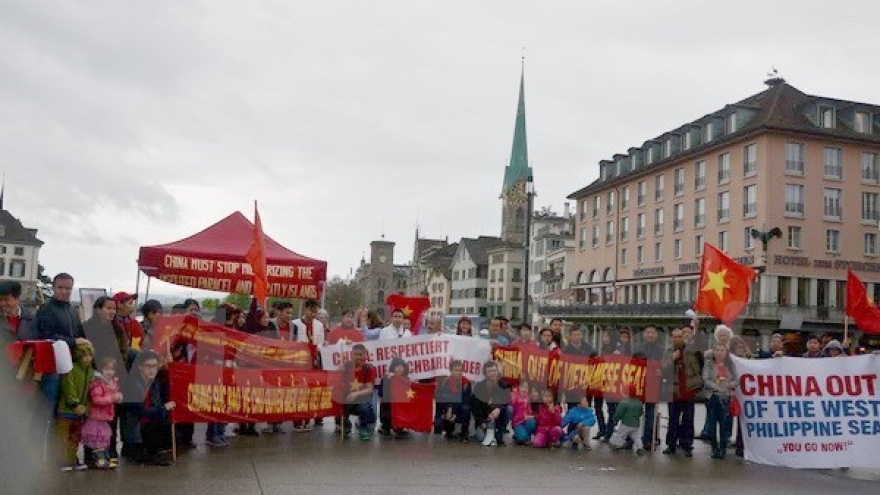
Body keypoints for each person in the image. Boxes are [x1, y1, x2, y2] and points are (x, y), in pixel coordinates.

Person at [35, 273, 89, 408]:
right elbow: (46, 335)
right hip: (52, 365)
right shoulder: (46, 309)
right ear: (53, 288)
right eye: (60, 288)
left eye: (68, 288)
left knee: (65, 405)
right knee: (48, 405)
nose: (64, 291)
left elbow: (78, 332)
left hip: (71, 363)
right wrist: (74, 342)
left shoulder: (72, 310)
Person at [123, 350, 176, 466]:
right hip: (137, 433)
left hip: (148, 427)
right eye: (148, 366)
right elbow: (141, 412)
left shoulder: (153, 382)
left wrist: (167, 365)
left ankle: (154, 450)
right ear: (140, 367)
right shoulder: (133, 386)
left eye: (154, 366)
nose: (152, 369)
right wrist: (163, 408)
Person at [662, 328, 702, 457]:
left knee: (688, 419)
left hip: (689, 389)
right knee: (673, 420)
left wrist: (698, 383)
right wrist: (671, 359)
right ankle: (671, 444)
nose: (678, 339)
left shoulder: (692, 351)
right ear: (671, 338)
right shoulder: (668, 352)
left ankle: (687, 445)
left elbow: (699, 364)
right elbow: (662, 368)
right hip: (673, 390)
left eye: (680, 336)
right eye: (675, 337)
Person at [56, 341, 94, 471]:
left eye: (90, 355)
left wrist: (86, 407)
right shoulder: (71, 369)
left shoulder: (90, 372)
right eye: (85, 355)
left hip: (80, 411)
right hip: (67, 409)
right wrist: (74, 404)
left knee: (75, 437)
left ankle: (71, 460)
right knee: (63, 436)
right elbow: (68, 387)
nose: (88, 358)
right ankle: (61, 460)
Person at [82, 357, 123, 469]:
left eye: (112, 369)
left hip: (104, 417)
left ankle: (103, 459)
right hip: (96, 418)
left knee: (104, 440)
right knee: (97, 441)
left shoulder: (112, 383)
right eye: (106, 369)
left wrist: (118, 397)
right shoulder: (98, 384)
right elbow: (97, 400)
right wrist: (113, 398)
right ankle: (98, 460)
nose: (109, 372)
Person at [703, 343, 737, 459]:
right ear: (713, 352)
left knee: (724, 425)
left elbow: (736, 380)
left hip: (726, 397)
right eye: (717, 350)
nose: (720, 352)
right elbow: (706, 379)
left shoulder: (731, 365)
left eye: (722, 350)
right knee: (712, 424)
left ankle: (723, 448)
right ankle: (713, 448)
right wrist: (717, 387)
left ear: (726, 352)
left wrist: (727, 385)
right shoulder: (708, 364)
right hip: (713, 397)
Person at [340, 344, 376, 441]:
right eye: (356, 355)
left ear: (364, 355)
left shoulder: (368, 369)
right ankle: (345, 424)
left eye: (361, 355)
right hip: (347, 398)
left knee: (364, 407)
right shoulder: (345, 367)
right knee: (338, 402)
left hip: (361, 399)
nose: (359, 357)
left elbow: (370, 389)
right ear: (351, 355)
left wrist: (355, 394)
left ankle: (362, 427)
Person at [636, 325, 664, 451]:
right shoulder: (638, 349)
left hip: (653, 385)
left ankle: (648, 439)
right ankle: (632, 438)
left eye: (653, 332)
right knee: (634, 412)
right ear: (644, 334)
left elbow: (664, 365)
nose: (650, 335)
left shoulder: (661, 350)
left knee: (650, 414)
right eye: (648, 332)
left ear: (656, 335)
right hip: (639, 384)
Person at [471, 360, 511, 447]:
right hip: (483, 418)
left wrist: (498, 408)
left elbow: (506, 400)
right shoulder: (479, 386)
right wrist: (482, 422)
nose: (493, 373)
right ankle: (483, 431)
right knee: (481, 438)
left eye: (494, 370)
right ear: (485, 373)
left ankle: (499, 433)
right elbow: (475, 408)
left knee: (509, 409)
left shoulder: (503, 385)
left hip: (497, 416)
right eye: (489, 371)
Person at [434, 360, 472, 442]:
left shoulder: (466, 383)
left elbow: (465, 400)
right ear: (451, 371)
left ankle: (464, 432)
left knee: (466, 408)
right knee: (446, 412)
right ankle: (449, 431)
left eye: (460, 370)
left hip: (460, 408)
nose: (458, 372)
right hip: (449, 408)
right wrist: (449, 408)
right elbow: (444, 398)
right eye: (455, 370)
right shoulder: (446, 382)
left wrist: (453, 412)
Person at [379, 357, 411, 439]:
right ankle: (385, 427)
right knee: (387, 406)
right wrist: (390, 380)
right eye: (397, 366)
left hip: (400, 405)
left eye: (401, 366)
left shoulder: (406, 379)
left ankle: (399, 428)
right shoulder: (387, 378)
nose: (400, 369)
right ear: (393, 368)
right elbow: (381, 393)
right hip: (389, 405)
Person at [609, 387, 645, 456]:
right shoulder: (639, 402)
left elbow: (619, 413)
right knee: (636, 437)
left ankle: (617, 445)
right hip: (636, 424)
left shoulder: (624, 402)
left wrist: (615, 419)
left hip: (626, 423)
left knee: (620, 435)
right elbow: (641, 412)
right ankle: (640, 448)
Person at [510, 380, 536, 445]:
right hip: (517, 423)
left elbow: (529, 411)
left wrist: (530, 416)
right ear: (519, 387)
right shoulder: (515, 396)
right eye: (523, 387)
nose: (524, 389)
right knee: (522, 437)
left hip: (525, 421)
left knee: (532, 422)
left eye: (526, 388)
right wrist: (513, 395)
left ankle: (522, 437)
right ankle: (524, 437)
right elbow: (512, 403)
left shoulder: (528, 398)